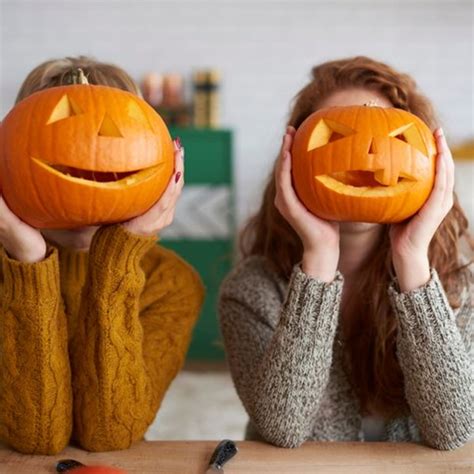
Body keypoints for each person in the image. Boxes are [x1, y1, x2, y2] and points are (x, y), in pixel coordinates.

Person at [219, 56, 472, 451]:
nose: (367, 157)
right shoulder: (253, 289)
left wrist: (412, 261)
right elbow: (283, 429)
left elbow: (455, 431)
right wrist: (318, 257)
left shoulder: (460, 282)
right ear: (292, 162)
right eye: (336, 139)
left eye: (396, 139)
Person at [0, 56, 204, 454]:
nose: (91, 171)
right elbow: (33, 437)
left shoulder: (170, 283)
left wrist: (117, 262)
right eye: (56, 134)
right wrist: (27, 260)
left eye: (118, 138)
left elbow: (108, 434)